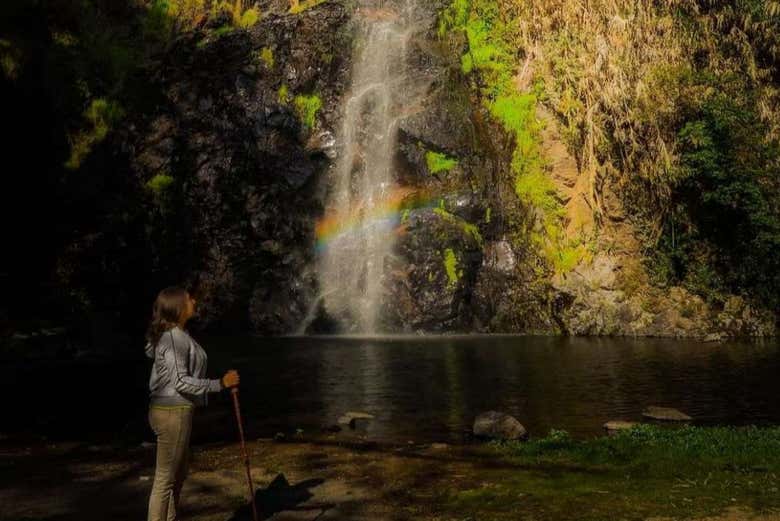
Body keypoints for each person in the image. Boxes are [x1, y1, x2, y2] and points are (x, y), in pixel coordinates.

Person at [144, 286, 240, 521]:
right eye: (189, 299)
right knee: (165, 479)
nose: (194, 301)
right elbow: (179, 381)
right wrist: (220, 384)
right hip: (172, 411)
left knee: (176, 476)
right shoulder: (173, 338)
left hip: (175, 410)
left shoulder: (177, 335)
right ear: (178, 307)